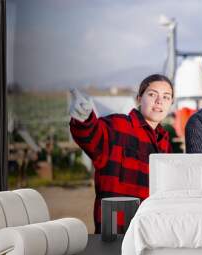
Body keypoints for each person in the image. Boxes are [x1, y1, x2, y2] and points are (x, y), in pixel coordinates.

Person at [69, 74, 174, 233]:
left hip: (150, 230)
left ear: (171, 103)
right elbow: (92, 135)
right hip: (116, 230)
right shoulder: (117, 126)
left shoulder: (165, 143)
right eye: (152, 94)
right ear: (139, 98)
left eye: (166, 97)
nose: (159, 101)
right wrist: (84, 118)